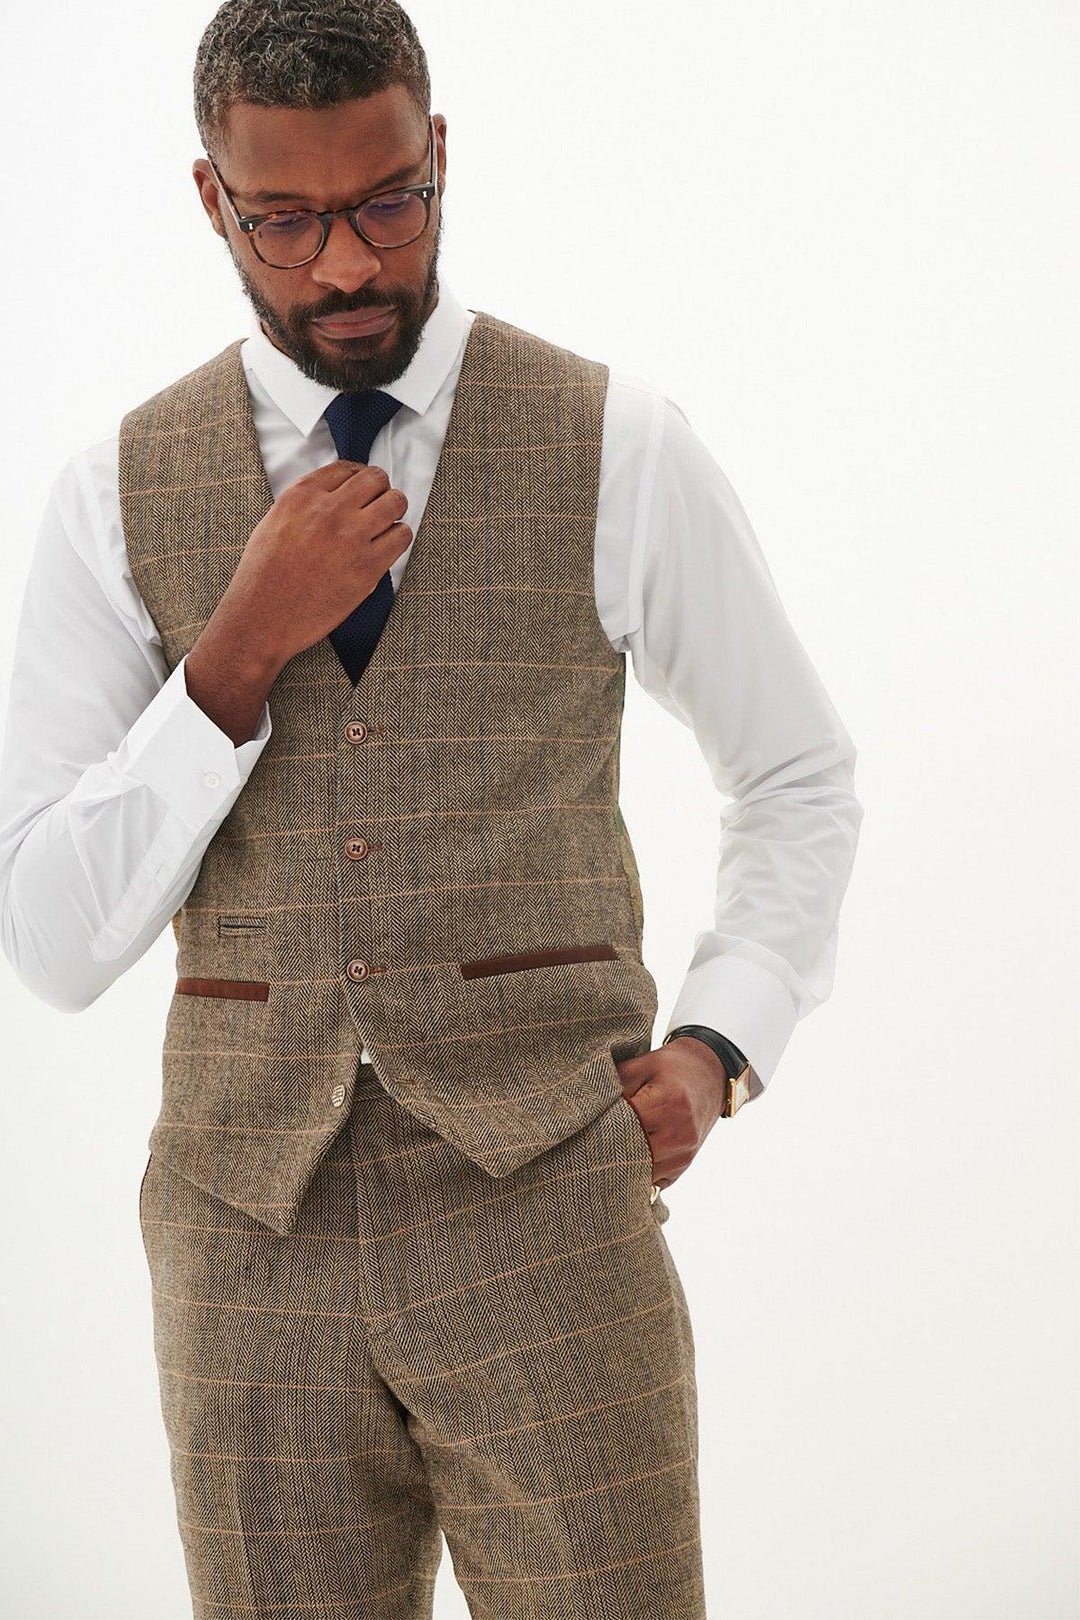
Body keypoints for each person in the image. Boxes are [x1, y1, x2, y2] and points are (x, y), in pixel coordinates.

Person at [0, 1, 863, 1614]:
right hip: (244, 1246)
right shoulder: (110, 495)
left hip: (553, 1216)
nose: (346, 267)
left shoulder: (619, 443)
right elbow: (50, 935)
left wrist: (722, 1045)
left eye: (389, 200)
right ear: (212, 201)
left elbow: (797, 768)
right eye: (290, 220)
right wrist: (238, 646)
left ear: (441, 157)